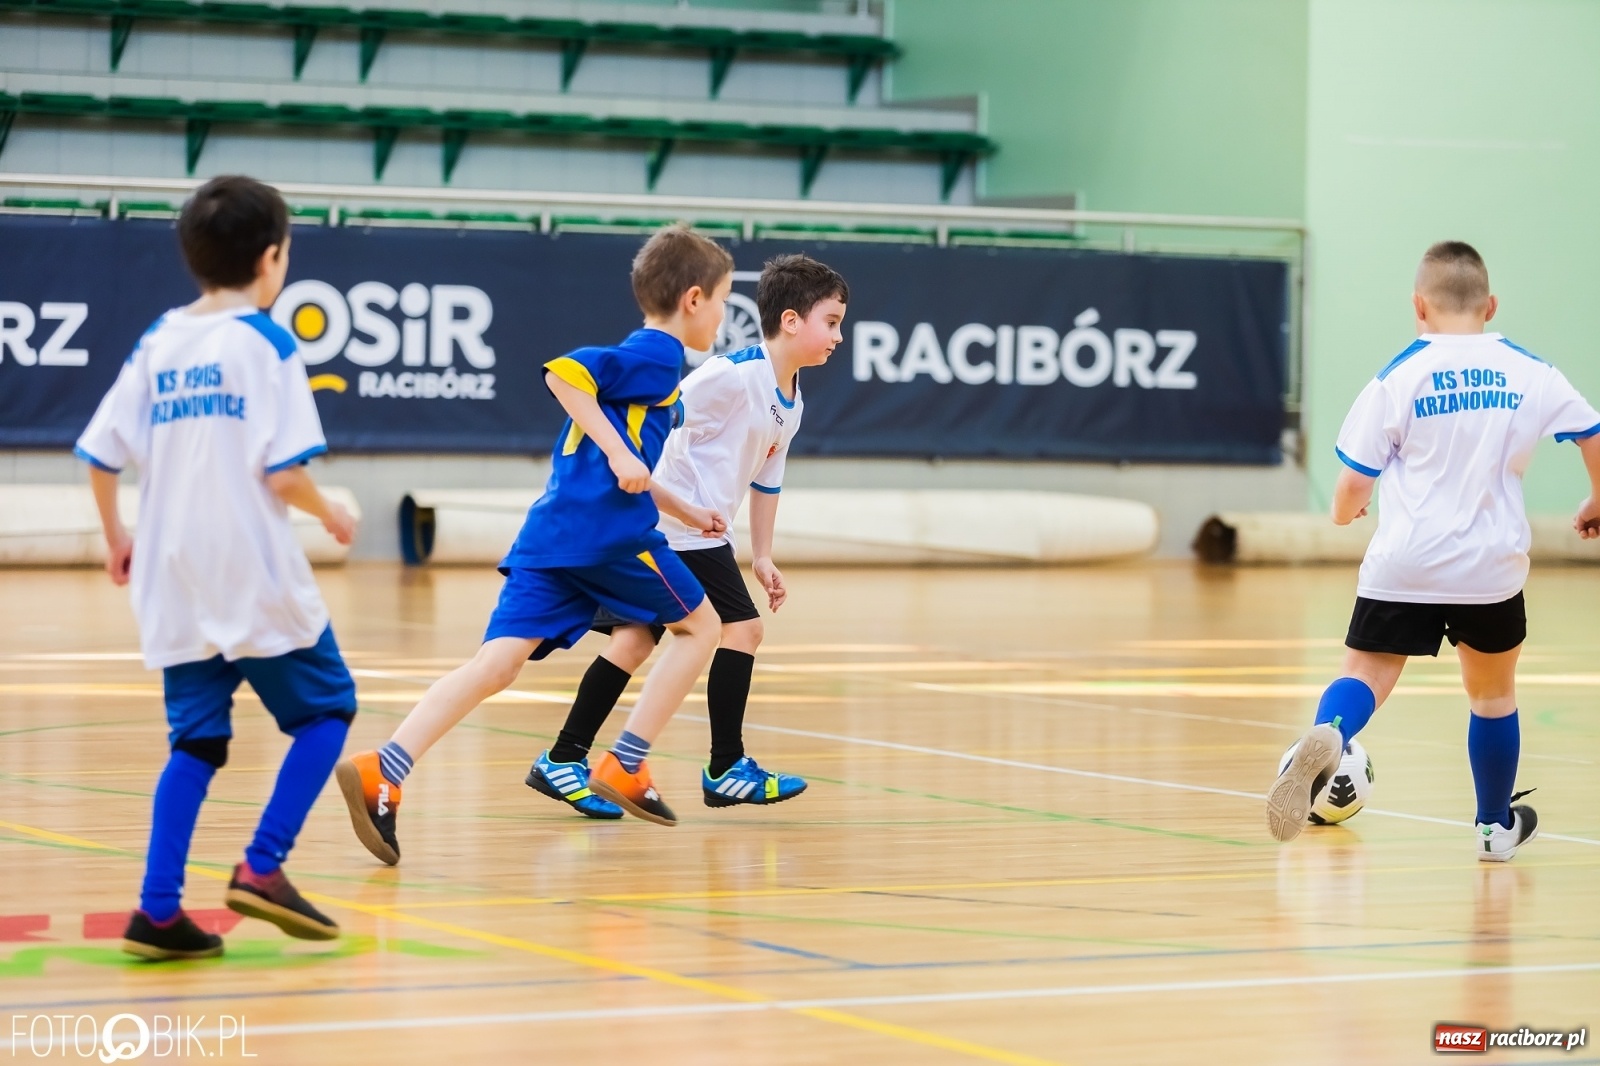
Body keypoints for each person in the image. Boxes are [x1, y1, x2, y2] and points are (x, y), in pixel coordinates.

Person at [338, 223, 734, 855]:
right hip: (607, 538)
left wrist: (682, 506)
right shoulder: (658, 356)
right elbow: (564, 375)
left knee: (495, 665)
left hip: (551, 538)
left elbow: (626, 461)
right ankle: (626, 762)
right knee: (703, 627)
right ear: (693, 299)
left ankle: (385, 768)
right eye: (722, 300)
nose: (723, 314)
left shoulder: (648, 377)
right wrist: (619, 452)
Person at [76, 175, 359, 959]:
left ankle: (157, 911)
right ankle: (263, 866)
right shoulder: (267, 343)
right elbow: (282, 473)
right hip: (249, 568)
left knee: (196, 743)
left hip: (172, 574)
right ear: (271, 259)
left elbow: (100, 454)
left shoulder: (158, 340)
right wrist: (330, 512)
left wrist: (117, 536)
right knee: (327, 712)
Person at [1268, 240, 1600, 860]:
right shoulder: (1530, 371)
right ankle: (1493, 828)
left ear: (1418, 306)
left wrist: (1343, 513)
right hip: (1490, 569)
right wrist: (1597, 498)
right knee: (1492, 695)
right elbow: (1591, 432)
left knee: (1364, 674)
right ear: (1491, 306)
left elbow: (1353, 483)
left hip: (1405, 564)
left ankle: (1332, 731)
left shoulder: (1399, 376)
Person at [528, 254, 848, 818]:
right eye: (832, 322)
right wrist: (655, 491)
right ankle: (725, 767)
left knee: (634, 641)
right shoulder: (730, 375)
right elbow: (657, 423)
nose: (838, 337)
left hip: (692, 531)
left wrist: (764, 555)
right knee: (741, 629)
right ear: (792, 320)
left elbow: (767, 479)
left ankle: (563, 757)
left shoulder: (792, 399)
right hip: (675, 528)